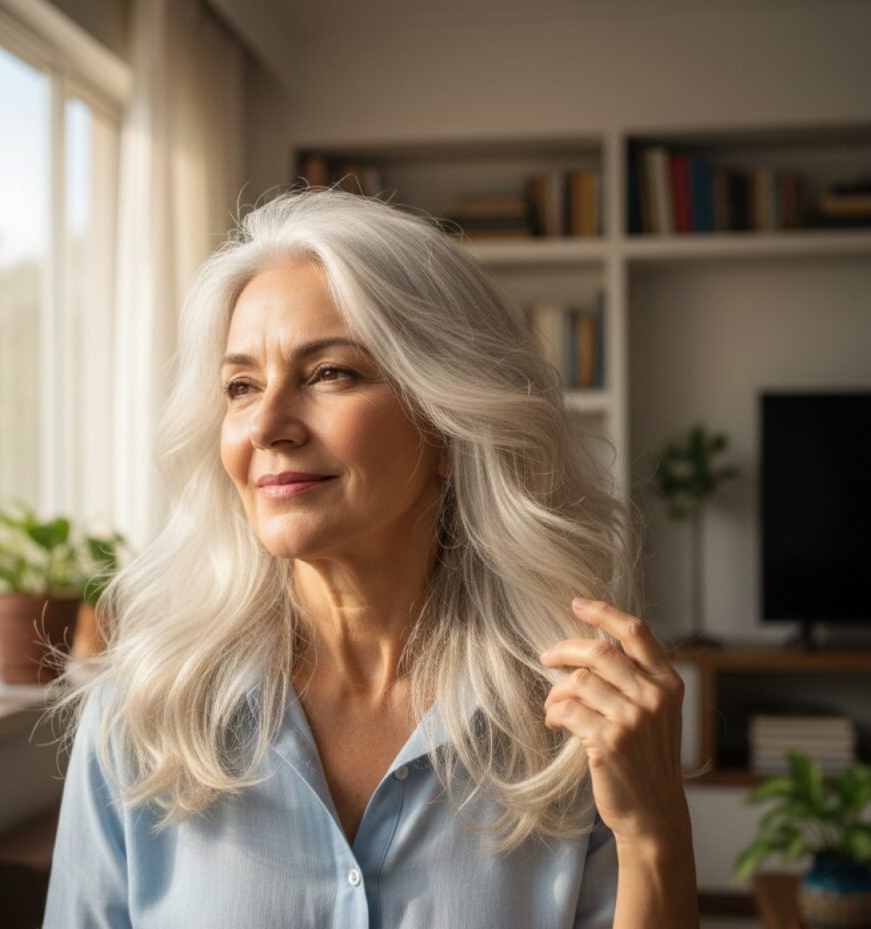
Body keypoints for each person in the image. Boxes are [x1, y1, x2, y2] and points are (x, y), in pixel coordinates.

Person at [41, 186, 700, 928]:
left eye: (330, 373)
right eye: (240, 386)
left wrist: (654, 836)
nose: (266, 424)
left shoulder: (573, 723)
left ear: (449, 425)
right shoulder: (140, 716)